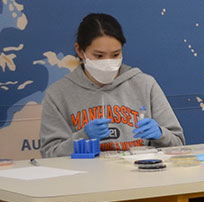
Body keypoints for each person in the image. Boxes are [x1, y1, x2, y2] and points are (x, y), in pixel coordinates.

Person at [40, 13, 184, 158]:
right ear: (80, 51)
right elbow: (50, 154)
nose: (108, 62)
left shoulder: (145, 84)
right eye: (99, 55)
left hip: (138, 174)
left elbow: (178, 142)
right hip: (86, 177)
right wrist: (82, 137)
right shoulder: (58, 94)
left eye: (115, 54)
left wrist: (161, 134)